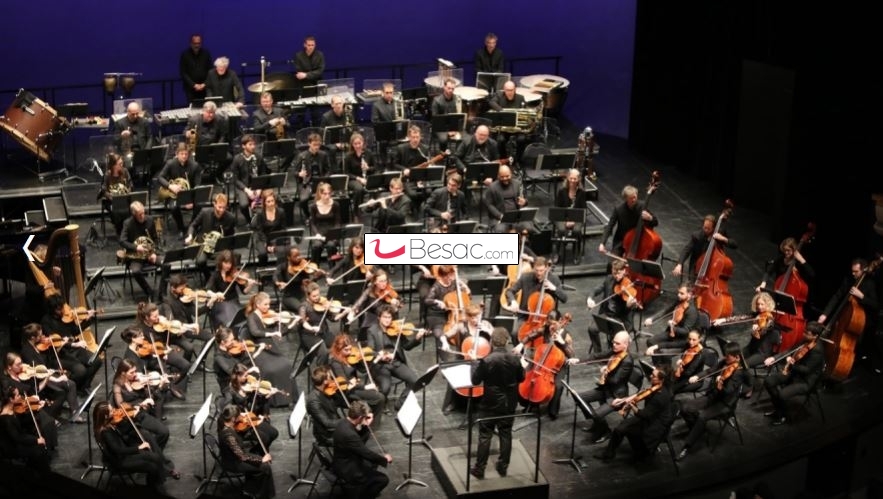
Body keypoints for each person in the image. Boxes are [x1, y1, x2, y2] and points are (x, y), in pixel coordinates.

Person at [677, 342, 750, 461]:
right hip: (712, 396)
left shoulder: (739, 373)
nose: (725, 358)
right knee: (685, 408)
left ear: (737, 357)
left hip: (724, 403)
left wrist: (720, 382)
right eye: (725, 355)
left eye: (728, 356)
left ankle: (687, 446)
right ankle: (698, 431)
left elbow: (728, 391)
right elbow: (710, 371)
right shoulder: (724, 363)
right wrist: (698, 376)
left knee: (702, 416)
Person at [469, 327, 524, 479]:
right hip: (509, 404)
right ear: (507, 341)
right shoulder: (515, 359)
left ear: (491, 342)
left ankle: (480, 469)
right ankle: (503, 467)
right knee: (505, 433)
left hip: (490, 404)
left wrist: (473, 362)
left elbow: (475, 380)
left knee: (485, 435)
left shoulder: (487, 360)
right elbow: (521, 378)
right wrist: (522, 365)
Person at [594, 365, 676, 463]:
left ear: (661, 380)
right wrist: (623, 400)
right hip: (651, 416)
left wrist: (632, 405)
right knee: (620, 428)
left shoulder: (660, 396)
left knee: (622, 429)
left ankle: (642, 452)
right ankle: (610, 453)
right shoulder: (657, 387)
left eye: (654, 376)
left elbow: (643, 414)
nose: (650, 376)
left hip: (655, 424)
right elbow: (642, 393)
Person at [817, 257, 880, 374]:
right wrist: (825, 314)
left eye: (856, 271)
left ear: (863, 270)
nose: (853, 274)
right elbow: (837, 296)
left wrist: (862, 297)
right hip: (842, 318)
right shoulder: (848, 280)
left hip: (859, 324)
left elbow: (876, 305)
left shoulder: (869, 284)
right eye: (852, 271)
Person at [512, 309, 577, 420]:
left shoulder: (566, 336)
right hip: (542, 360)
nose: (551, 326)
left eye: (553, 324)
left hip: (558, 364)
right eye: (549, 323)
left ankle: (553, 411)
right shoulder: (546, 329)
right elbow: (531, 335)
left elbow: (572, 355)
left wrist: (562, 342)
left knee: (558, 386)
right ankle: (528, 402)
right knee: (525, 376)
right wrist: (521, 344)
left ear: (560, 321)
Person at [93, 400, 168, 495]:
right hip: (120, 461)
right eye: (111, 411)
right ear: (105, 416)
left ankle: (157, 483)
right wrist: (139, 447)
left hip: (123, 455)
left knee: (155, 457)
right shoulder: (106, 432)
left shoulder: (108, 424)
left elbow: (123, 432)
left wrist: (133, 416)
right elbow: (119, 450)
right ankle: (154, 487)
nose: (114, 411)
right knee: (152, 467)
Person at [362, 305, 424, 410]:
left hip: (395, 362)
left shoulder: (396, 328)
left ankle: (400, 403)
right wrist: (381, 356)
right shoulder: (372, 331)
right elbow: (370, 351)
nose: (387, 320)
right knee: (385, 388)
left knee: (414, 381)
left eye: (389, 317)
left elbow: (407, 346)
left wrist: (417, 338)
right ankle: (380, 404)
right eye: (385, 317)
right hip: (381, 366)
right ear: (379, 317)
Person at [577, 331, 635, 444]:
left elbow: (615, 380)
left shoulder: (627, 361)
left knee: (596, 414)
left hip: (616, 395)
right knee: (580, 398)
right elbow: (597, 356)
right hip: (605, 388)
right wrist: (579, 360)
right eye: (613, 342)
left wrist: (606, 370)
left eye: (617, 343)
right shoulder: (615, 351)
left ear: (626, 344)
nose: (614, 345)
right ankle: (598, 425)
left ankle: (605, 431)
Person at [763, 321, 825, 425]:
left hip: (805, 381)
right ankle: (779, 409)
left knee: (782, 394)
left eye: (807, 333)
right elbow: (790, 350)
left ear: (815, 336)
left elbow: (806, 370)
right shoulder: (805, 340)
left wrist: (792, 364)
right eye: (804, 332)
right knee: (769, 381)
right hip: (795, 373)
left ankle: (783, 415)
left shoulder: (817, 350)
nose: (803, 334)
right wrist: (774, 358)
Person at [243, 292, 297, 408]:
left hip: (270, 346)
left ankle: (289, 398)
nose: (268, 307)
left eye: (269, 304)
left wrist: (292, 323)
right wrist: (271, 333)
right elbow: (255, 332)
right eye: (265, 304)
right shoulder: (252, 317)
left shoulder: (269, 317)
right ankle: (272, 400)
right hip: (258, 348)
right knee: (271, 369)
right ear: (258, 304)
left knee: (287, 365)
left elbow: (280, 332)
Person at [19, 323, 81, 421]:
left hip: (47, 374)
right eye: (40, 335)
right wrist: (57, 379)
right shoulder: (27, 352)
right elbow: (39, 372)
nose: (43, 337)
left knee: (71, 384)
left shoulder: (37, 345)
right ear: (33, 338)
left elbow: (48, 361)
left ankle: (75, 412)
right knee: (64, 388)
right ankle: (53, 416)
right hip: (39, 380)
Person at [40, 294, 101, 391]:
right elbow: (55, 341)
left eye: (62, 307)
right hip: (61, 353)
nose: (62, 311)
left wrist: (87, 319)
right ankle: (72, 388)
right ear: (52, 309)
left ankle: (83, 387)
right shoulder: (46, 321)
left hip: (74, 349)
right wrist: (73, 344)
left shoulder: (66, 317)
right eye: (59, 309)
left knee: (97, 361)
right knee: (81, 370)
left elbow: (75, 331)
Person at [332, 400, 391, 499]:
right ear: (360, 417)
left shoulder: (344, 422)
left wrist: (366, 425)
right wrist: (385, 459)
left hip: (343, 460)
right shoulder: (349, 434)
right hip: (347, 469)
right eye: (365, 417)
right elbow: (366, 453)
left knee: (373, 464)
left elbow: (358, 441)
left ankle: (363, 488)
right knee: (383, 479)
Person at [0, 353, 59, 450]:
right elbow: (12, 399)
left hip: (29, 405)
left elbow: (34, 389)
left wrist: (35, 401)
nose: (22, 366)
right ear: (9, 367)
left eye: (21, 363)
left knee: (49, 421)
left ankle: (48, 446)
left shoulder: (23, 376)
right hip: (19, 410)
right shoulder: (6, 381)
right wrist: (32, 401)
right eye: (18, 364)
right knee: (47, 423)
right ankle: (45, 448)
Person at [504, 256, 568, 343]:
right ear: (533, 268)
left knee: (548, 338)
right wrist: (513, 301)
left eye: (541, 270)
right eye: (536, 270)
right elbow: (509, 291)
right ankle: (520, 350)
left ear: (546, 268)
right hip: (527, 317)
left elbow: (564, 298)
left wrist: (554, 289)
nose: (539, 273)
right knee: (515, 334)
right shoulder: (525, 277)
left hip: (546, 320)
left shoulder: (554, 279)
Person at [218, 404, 276, 499]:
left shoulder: (225, 423)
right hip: (234, 462)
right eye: (239, 416)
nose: (241, 417)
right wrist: (261, 460)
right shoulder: (228, 435)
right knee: (265, 466)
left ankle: (250, 489)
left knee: (258, 456)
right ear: (233, 419)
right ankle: (261, 495)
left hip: (236, 456)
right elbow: (242, 456)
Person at [219, 363, 280, 451]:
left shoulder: (249, 385)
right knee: (265, 438)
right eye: (245, 375)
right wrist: (240, 414)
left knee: (274, 433)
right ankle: (257, 454)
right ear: (237, 376)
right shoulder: (230, 391)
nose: (247, 377)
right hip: (241, 423)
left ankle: (256, 452)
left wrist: (267, 396)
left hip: (252, 417)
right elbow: (227, 409)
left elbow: (256, 403)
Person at [327, 334, 385, 423]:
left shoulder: (350, 358)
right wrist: (365, 387)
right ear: (338, 349)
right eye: (346, 350)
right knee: (379, 398)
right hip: (346, 392)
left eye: (350, 349)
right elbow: (345, 384)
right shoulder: (335, 363)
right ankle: (368, 422)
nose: (349, 352)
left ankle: (370, 421)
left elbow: (364, 370)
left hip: (355, 386)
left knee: (379, 396)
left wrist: (374, 359)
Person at [671, 214, 737, 284]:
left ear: (714, 228)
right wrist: (679, 264)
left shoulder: (719, 233)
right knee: (691, 286)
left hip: (712, 268)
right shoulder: (697, 235)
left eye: (709, 229)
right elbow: (687, 249)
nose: (706, 230)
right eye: (705, 227)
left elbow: (734, 245)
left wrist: (723, 239)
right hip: (697, 266)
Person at [185, 192, 237, 278]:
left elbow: (231, 236)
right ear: (214, 204)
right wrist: (190, 235)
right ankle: (208, 277)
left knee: (229, 259)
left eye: (224, 207)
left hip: (219, 247)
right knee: (200, 261)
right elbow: (193, 225)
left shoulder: (230, 218)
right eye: (219, 207)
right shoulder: (205, 212)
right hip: (204, 245)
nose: (222, 210)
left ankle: (221, 278)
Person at [119, 200, 163, 300]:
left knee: (166, 264)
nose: (143, 216)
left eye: (143, 213)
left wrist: (153, 252)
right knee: (135, 271)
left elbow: (155, 239)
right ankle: (149, 292)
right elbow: (122, 241)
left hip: (150, 253)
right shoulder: (128, 223)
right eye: (139, 214)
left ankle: (162, 292)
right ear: (134, 214)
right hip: (136, 256)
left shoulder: (150, 220)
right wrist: (136, 247)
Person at [0, 386, 51, 472]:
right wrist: (36, 440)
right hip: (13, 447)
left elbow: (21, 422)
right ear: (11, 399)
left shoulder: (12, 408)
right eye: (17, 395)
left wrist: (36, 409)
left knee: (40, 434)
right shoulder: (6, 419)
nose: (20, 397)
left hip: (19, 438)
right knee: (39, 449)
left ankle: (37, 466)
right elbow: (17, 438)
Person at [156, 142, 202, 237]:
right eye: (182, 154)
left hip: (190, 193)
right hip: (174, 194)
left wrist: (190, 199)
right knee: (173, 208)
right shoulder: (170, 163)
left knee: (199, 204)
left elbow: (197, 185)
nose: (184, 156)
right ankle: (181, 227)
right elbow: (160, 177)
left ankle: (191, 226)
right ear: (177, 154)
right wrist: (170, 186)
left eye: (186, 154)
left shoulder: (195, 166)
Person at [599, 184, 658, 257]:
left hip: (638, 241)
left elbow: (656, 222)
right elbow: (610, 226)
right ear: (626, 198)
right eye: (631, 198)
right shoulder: (619, 209)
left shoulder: (642, 206)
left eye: (635, 197)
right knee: (613, 261)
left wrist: (650, 218)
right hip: (621, 240)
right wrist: (602, 243)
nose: (634, 200)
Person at [205, 250, 255, 330]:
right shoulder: (216, 275)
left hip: (234, 302)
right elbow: (207, 289)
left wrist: (250, 285)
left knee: (243, 316)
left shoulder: (234, 274)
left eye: (230, 263)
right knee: (229, 317)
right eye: (226, 263)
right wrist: (215, 294)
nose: (228, 265)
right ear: (221, 262)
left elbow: (244, 291)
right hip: (221, 305)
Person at [645, 284, 700, 353]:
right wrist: (652, 319)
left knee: (661, 351)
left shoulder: (692, 311)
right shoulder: (680, 302)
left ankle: (662, 359)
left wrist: (672, 326)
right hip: (672, 332)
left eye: (682, 293)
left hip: (682, 339)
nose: (678, 295)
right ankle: (659, 359)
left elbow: (686, 331)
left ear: (689, 294)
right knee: (650, 341)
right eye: (678, 292)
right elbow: (666, 310)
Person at [350, 270, 402, 335]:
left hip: (388, 319)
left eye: (385, 280)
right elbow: (359, 302)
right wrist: (353, 310)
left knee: (394, 311)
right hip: (374, 319)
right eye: (381, 281)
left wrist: (396, 303)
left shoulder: (389, 290)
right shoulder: (369, 291)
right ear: (375, 282)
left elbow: (401, 302)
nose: (384, 283)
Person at [483, 164, 532, 234]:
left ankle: (521, 240)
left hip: (516, 216)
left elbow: (525, 199)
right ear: (498, 176)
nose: (505, 178)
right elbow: (489, 205)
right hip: (500, 217)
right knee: (500, 231)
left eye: (507, 176)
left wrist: (524, 202)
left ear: (511, 174)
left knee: (528, 228)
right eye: (502, 177)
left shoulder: (517, 184)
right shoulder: (492, 187)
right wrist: (499, 215)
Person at [294, 132, 332, 220]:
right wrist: (299, 174)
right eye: (314, 145)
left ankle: (325, 215)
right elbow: (295, 173)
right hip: (307, 183)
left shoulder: (323, 155)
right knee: (303, 199)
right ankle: (308, 217)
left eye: (318, 145)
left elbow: (329, 170)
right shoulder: (302, 156)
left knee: (331, 195)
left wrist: (324, 179)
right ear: (309, 143)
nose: (317, 147)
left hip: (320, 181)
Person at [231, 134, 268, 224]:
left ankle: (262, 220)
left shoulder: (258, 157)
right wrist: (247, 190)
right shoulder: (237, 159)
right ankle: (249, 220)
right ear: (243, 146)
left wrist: (259, 188)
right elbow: (235, 179)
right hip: (243, 187)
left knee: (269, 199)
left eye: (254, 144)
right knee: (244, 205)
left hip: (257, 185)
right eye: (250, 144)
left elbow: (263, 174)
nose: (253, 147)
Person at [306, 365, 343, 447]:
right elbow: (327, 423)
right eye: (330, 377)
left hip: (335, 422)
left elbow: (340, 403)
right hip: (327, 434)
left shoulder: (326, 390)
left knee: (362, 428)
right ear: (325, 381)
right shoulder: (314, 401)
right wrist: (347, 421)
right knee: (357, 435)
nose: (332, 380)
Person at [97, 152, 133, 235]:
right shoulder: (108, 174)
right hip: (111, 201)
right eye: (119, 164)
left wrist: (128, 192)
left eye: (122, 163)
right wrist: (111, 197)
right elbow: (104, 190)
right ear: (113, 165)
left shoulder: (125, 171)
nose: (122, 165)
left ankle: (126, 230)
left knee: (130, 209)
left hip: (124, 199)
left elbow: (130, 184)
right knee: (116, 211)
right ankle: (120, 231)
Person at [274, 247, 318, 311]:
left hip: (302, 295)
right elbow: (275, 276)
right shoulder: (283, 266)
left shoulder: (303, 266)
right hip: (289, 297)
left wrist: (313, 278)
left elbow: (308, 282)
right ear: (288, 257)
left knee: (312, 307)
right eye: (295, 256)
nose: (298, 257)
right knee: (302, 308)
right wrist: (278, 283)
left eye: (299, 255)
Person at [250, 190, 287, 266]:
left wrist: (275, 243)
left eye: (272, 201)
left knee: (282, 251)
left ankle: (280, 269)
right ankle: (262, 268)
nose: (271, 203)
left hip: (276, 237)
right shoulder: (260, 213)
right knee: (262, 253)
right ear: (264, 203)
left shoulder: (281, 212)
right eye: (268, 201)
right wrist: (266, 244)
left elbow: (283, 229)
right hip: (262, 237)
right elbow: (260, 230)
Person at [308, 181, 342, 263]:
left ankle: (332, 267)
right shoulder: (313, 206)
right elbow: (312, 223)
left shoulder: (335, 205)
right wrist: (317, 234)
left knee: (331, 245)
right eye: (325, 194)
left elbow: (337, 222)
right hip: (319, 234)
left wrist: (334, 234)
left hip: (332, 233)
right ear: (320, 194)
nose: (327, 196)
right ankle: (315, 266)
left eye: (329, 193)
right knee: (317, 246)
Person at [343, 132, 375, 215]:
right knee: (359, 188)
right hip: (353, 179)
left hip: (366, 177)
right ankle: (357, 211)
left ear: (363, 142)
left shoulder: (368, 153)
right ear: (352, 144)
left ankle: (371, 208)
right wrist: (359, 179)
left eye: (359, 143)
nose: (358, 146)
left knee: (376, 185)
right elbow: (346, 173)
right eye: (355, 144)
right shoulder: (348, 156)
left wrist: (368, 168)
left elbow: (375, 168)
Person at [179, 34, 212, 104]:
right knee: (192, 107)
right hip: (190, 88)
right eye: (195, 43)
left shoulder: (206, 54)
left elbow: (211, 71)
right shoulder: (185, 55)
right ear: (191, 43)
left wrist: (204, 84)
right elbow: (183, 73)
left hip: (204, 88)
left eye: (198, 43)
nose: (197, 45)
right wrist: (194, 85)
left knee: (205, 107)